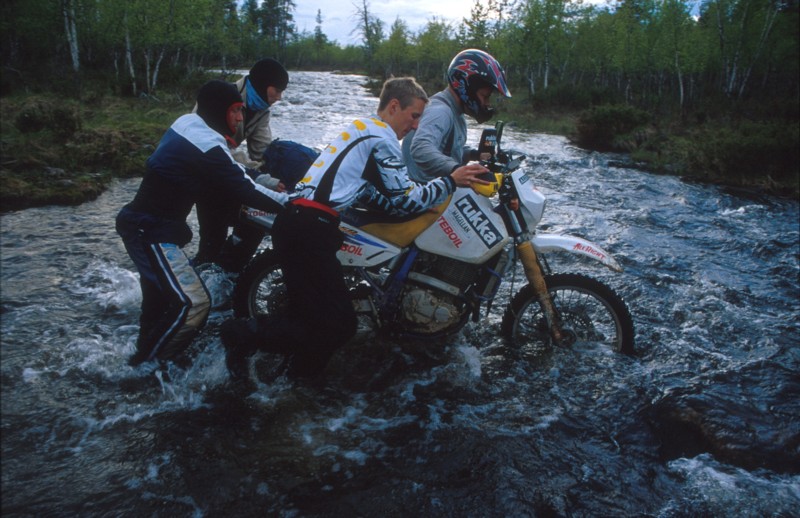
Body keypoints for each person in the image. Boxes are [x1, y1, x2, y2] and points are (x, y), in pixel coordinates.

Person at [220, 77, 492, 385]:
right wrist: (450, 182)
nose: (416, 126)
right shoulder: (384, 139)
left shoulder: (362, 129)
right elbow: (401, 200)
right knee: (338, 324)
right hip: (310, 230)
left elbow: (365, 193)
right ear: (393, 106)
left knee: (310, 318)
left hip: (298, 224)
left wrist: (421, 197)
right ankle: (241, 336)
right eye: (414, 116)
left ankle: (290, 380)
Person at [116, 80, 287, 367]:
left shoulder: (189, 125)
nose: (239, 119)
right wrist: (294, 205)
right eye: (235, 111)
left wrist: (262, 181)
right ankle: (150, 366)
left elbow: (230, 170)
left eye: (241, 111)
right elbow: (243, 189)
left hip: (146, 228)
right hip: (149, 232)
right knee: (194, 303)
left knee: (157, 305)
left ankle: (143, 356)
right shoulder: (206, 143)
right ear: (220, 111)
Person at [194, 58, 294, 273]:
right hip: (205, 176)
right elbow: (213, 151)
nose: (279, 97)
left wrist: (277, 177)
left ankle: (228, 276)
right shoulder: (220, 96)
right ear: (263, 84)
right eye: (277, 90)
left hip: (231, 175)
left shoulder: (262, 109)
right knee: (213, 237)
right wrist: (257, 177)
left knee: (257, 221)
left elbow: (261, 151)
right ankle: (198, 283)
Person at [402, 49, 511, 183]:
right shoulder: (441, 112)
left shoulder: (456, 112)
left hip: (434, 190)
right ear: (467, 87)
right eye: (485, 96)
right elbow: (420, 148)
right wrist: (458, 170)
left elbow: (446, 148)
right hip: (423, 195)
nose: (487, 103)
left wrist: (475, 154)